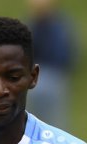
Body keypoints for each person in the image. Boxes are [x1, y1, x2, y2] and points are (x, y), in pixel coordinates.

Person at [25, 0, 76, 130]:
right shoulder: (31, 26)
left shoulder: (60, 26)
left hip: (54, 77)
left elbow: (66, 55)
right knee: (32, 122)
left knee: (55, 122)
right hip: (35, 79)